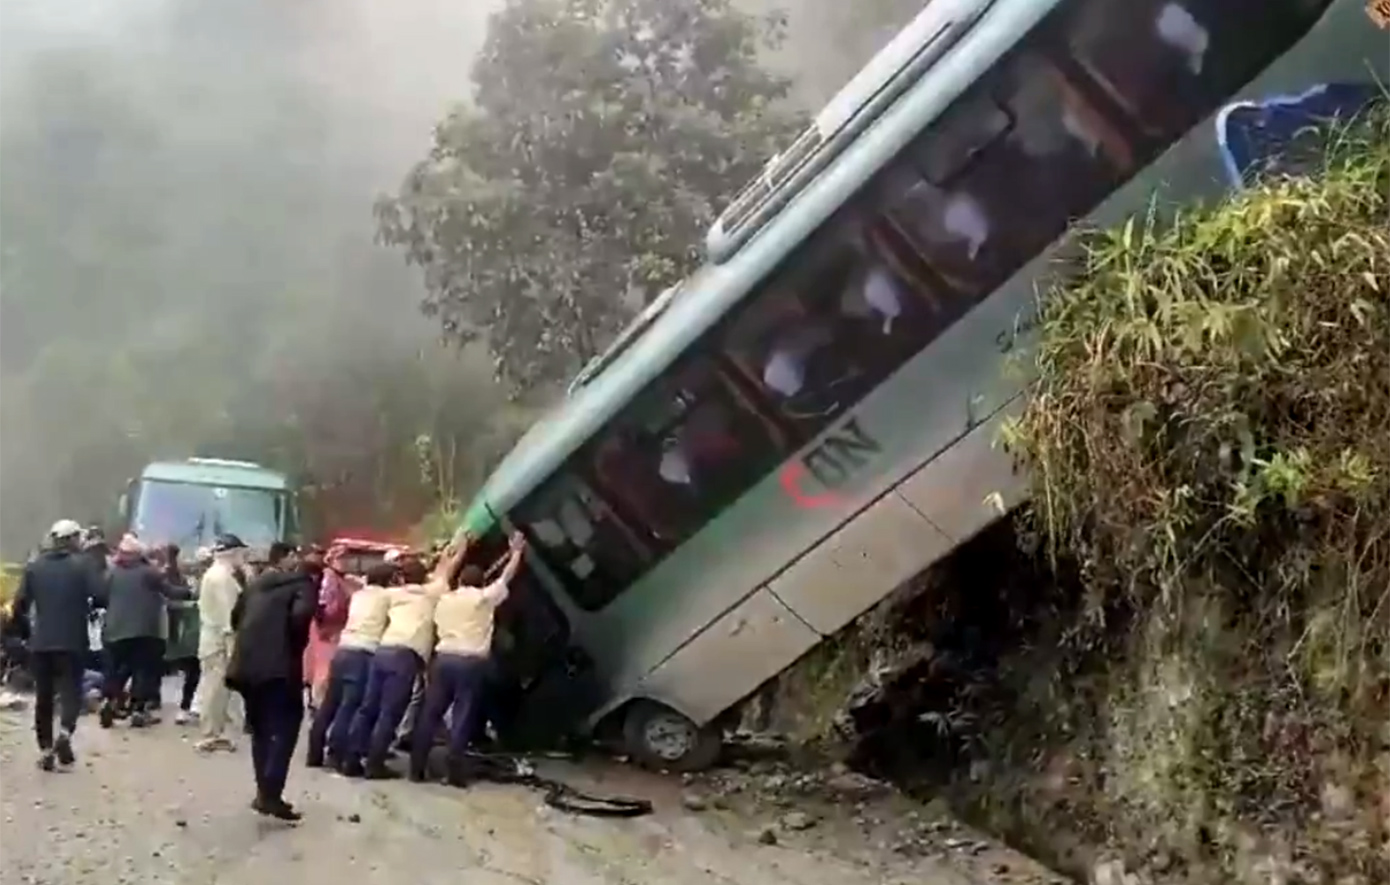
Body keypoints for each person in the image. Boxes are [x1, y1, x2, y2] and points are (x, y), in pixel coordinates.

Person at [344, 539, 468, 779]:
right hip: (405, 657)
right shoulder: (432, 593)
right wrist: (460, 546)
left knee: (368, 708)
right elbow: (449, 568)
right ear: (424, 578)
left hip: (383, 651)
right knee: (390, 712)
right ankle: (374, 765)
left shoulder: (393, 594)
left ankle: (352, 759)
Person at [409, 532, 526, 784]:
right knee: (463, 713)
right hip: (471, 663)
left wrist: (459, 547)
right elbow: (507, 576)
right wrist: (516, 551)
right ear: (481, 582)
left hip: (443, 660)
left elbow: (443, 573)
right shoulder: (484, 599)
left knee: (431, 712)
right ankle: (454, 771)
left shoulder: (444, 598)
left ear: (460, 581)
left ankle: (416, 767)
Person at [224, 542, 316, 821]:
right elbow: (301, 617)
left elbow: (235, 618)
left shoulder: (254, 585)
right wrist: (292, 644)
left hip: (246, 667)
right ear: (287, 558)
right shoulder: (301, 584)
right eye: (294, 555)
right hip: (279, 667)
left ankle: (263, 792)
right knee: (287, 726)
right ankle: (271, 795)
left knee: (261, 729)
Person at [11, 520, 108, 771]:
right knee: (70, 692)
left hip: (41, 642)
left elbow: (19, 605)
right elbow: (100, 596)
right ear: (73, 539)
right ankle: (64, 732)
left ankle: (45, 749)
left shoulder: (35, 566)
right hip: (72, 641)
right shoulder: (82, 566)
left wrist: (27, 632)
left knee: (43, 698)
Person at [304, 560, 398, 770]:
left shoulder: (359, 595)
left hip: (344, 649)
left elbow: (357, 582)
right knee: (350, 706)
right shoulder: (388, 597)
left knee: (330, 703)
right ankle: (336, 754)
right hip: (364, 653)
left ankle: (314, 752)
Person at [100, 535, 190, 728]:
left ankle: (108, 701)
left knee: (116, 670)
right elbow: (170, 591)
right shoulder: (149, 573)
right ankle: (138, 711)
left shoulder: (111, 573)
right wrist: (191, 592)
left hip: (114, 629)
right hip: (144, 630)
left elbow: (101, 596)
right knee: (143, 670)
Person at [194, 533, 247, 752]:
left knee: (215, 688)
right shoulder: (222, 578)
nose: (243, 557)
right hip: (219, 642)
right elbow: (228, 615)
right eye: (240, 552)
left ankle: (217, 731)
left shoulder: (214, 574)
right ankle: (211, 734)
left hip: (210, 639)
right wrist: (233, 647)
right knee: (215, 690)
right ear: (231, 553)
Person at [303, 546, 354, 713]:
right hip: (326, 629)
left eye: (347, 559)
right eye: (341, 559)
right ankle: (318, 703)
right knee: (323, 669)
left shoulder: (344, 579)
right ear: (331, 561)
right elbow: (323, 604)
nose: (345, 563)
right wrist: (324, 624)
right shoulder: (329, 578)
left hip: (337, 628)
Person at [161, 544, 202, 725]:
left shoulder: (184, 578)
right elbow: (167, 601)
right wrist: (190, 604)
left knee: (194, 670)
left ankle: (189, 706)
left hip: (187, 631)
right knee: (192, 669)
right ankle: (186, 707)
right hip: (182, 630)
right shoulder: (170, 576)